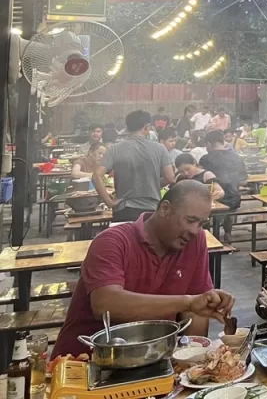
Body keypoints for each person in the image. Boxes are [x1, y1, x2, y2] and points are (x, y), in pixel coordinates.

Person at [51, 181, 235, 359]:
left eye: (201, 223)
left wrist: (192, 359)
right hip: (87, 359)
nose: (195, 230)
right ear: (165, 209)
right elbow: (105, 304)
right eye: (190, 220)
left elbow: (196, 311)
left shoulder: (195, 242)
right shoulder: (113, 241)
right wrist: (189, 302)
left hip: (154, 356)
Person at [94, 110, 175, 223]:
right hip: (151, 209)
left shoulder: (115, 149)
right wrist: (150, 183)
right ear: (147, 127)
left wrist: (109, 202)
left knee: (125, 240)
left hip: (124, 209)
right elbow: (170, 178)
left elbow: (96, 176)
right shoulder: (160, 149)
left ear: (127, 128)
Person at [199, 130, 247, 212]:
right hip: (234, 200)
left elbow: (201, 181)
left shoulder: (205, 159)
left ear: (208, 144)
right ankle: (228, 224)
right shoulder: (237, 157)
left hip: (215, 200)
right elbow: (244, 182)